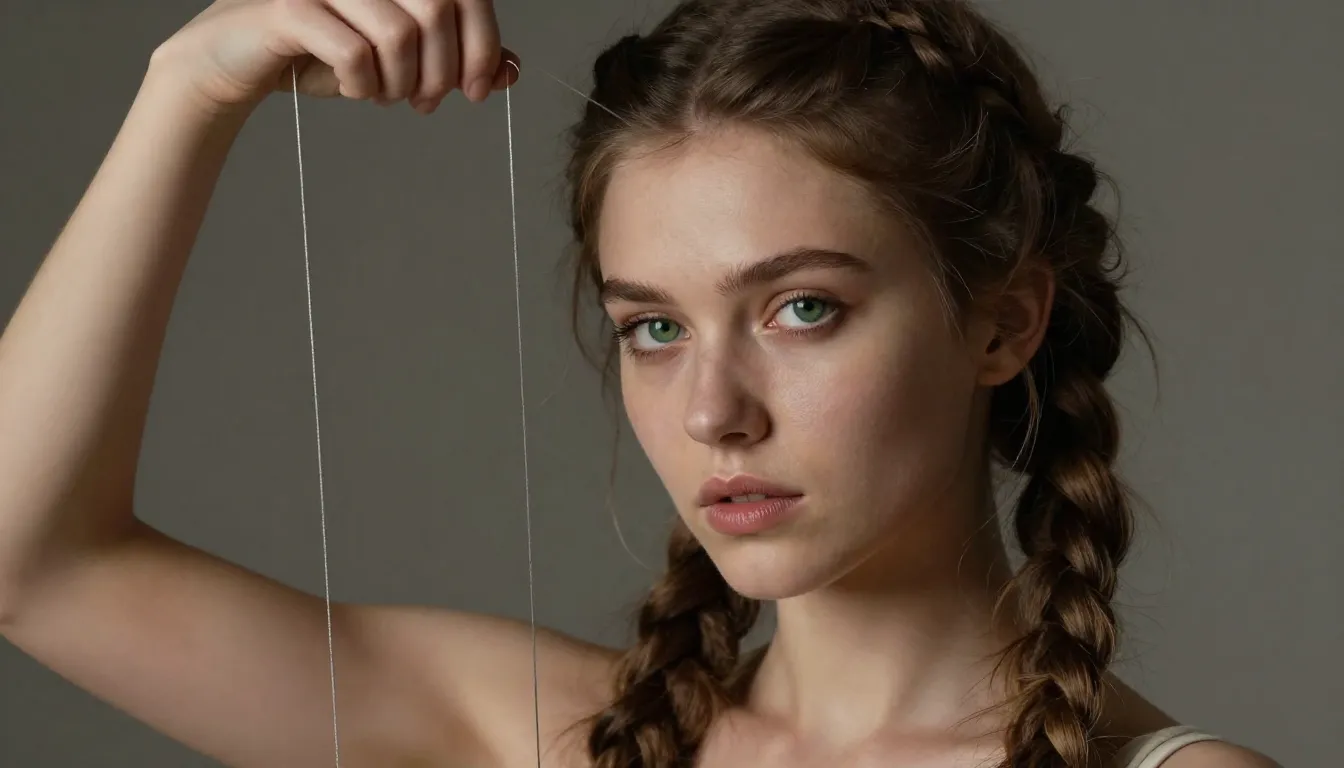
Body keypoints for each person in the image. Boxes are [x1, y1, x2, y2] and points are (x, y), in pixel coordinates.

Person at [0, 1, 1281, 766]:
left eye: (803, 308)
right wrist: (190, 93)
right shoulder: (546, 739)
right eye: (653, 328)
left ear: (1003, 325)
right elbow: (30, 563)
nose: (715, 410)